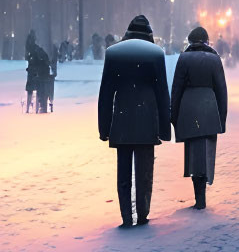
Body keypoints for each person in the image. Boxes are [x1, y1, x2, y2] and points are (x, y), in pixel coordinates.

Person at [97, 14, 172, 228]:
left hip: (122, 121)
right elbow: (162, 94)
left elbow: (105, 95)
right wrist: (165, 129)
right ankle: (143, 214)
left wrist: (105, 128)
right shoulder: (155, 55)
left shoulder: (114, 54)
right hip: (147, 121)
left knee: (123, 173)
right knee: (144, 173)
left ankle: (126, 217)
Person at [170, 26, 228, 210]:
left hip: (189, 109)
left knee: (193, 153)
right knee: (207, 152)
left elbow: (176, 89)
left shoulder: (184, 58)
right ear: (206, 41)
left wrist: (174, 116)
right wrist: (222, 118)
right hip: (210, 108)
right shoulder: (214, 59)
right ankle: (203, 194)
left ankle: (198, 194)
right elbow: (221, 90)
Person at [25, 35, 51, 113]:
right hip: (35, 73)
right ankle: (31, 109)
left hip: (35, 73)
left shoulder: (34, 50)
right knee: (34, 90)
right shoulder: (35, 50)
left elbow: (37, 61)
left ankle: (30, 109)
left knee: (32, 90)